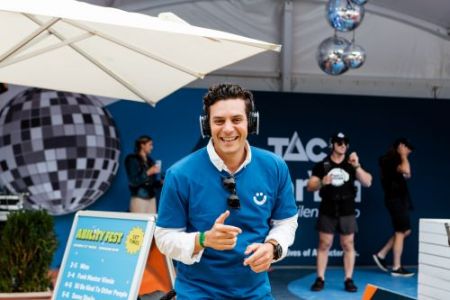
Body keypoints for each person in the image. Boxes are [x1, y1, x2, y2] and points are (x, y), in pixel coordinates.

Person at [154, 83, 298, 299]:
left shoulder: (274, 167)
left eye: (237, 119)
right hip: (197, 294)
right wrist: (203, 240)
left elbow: (286, 222)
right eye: (219, 121)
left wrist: (273, 247)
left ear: (251, 122)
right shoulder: (180, 174)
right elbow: (164, 238)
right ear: (206, 125)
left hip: (257, 294)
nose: (228, 129)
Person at [307, 132, 372, 292]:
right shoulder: (324, 164)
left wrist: (357, 165)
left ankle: (348, 279)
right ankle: (320, 278)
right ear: (332, 144)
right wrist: (322, 181)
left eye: (345, 142)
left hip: (347, 210)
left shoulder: (351, 163)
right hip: (328, 209)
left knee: (348, 244)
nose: (342, 145)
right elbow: (310, 186)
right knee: (324, 244)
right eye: (339, 142)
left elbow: (367, 182)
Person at [372, 138, 415, 277]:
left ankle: (381, 254)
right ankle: (396, 267)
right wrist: (403, 155)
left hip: (401, 200)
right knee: (400, 232)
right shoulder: (389, 159)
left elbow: (408, 174)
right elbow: (407, 170)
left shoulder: (397, 160)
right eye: (407, 148)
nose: (409, 152)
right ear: (401, 147)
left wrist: (403, 157)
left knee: (405, 231)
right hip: (395, 200)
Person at [124, 135, 162, 214]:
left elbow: (152, 182)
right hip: (139, 198)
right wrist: (148, 172)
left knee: (151, 224)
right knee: (137, 225)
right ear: (142, 145)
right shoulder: (132, 159)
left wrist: (161, 182)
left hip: (151, 198)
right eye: (150, 144)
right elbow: (133, 181)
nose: (152, 147)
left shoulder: (150, 161)